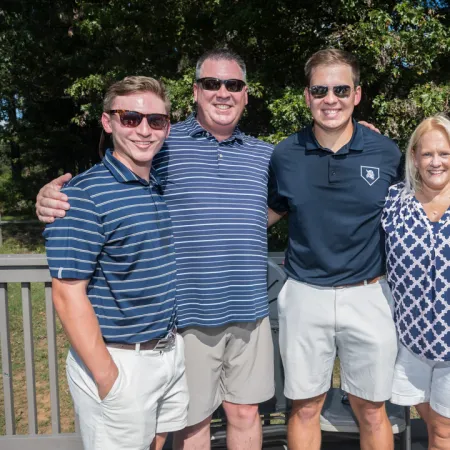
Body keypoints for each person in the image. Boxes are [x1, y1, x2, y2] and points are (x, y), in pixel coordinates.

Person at [37, 49, 275, 450]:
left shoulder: (267, 155)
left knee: (244, 413)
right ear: (196, 92)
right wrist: (47, 198)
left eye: (233, 84)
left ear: (246, 94)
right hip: (186, 316)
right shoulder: (165, 142)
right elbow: (105, 182)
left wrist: (358, 133)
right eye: (212, 83)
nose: (223, 92)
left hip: (249, 311)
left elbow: (299, 189)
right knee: (192, 423)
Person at [43, 76, 189, 450]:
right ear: (108, 122)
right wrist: (108, 376)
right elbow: (67, 294)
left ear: (167, 127)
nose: (144, 129)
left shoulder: (158, 183)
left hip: (168, 353)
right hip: (120, 360)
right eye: (130, 118)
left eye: (156, 121)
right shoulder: (82, 197)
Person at [267, 48, 402, 450]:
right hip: (306, 294)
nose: (331, 99)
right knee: (305, 408)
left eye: (341, 89)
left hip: (370, 295)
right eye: (320, 90)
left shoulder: (386, 152)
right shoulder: (284, 154)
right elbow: (265, 215)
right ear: (307, 96)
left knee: (373, 409)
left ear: (357, 95)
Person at [382, 113, 450, 450]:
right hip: (409, 341)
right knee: (435, 428)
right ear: (414, 158)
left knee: (442, 433)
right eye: (427, 154)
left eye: (444, 153)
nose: (435, 162)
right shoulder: (395, 200)